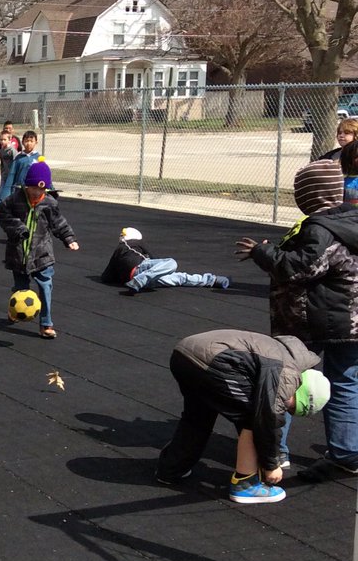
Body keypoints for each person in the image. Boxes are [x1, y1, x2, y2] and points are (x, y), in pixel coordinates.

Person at [237, 158, 358, 481]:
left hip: (311, 319)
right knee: (346, 382)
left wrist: (264, 253)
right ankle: (347, 452)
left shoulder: (320, 229)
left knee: (283, 379)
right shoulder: (352, 222)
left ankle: (274, 452)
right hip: (351, 320)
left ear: (309, 199)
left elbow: (300, 268)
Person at [156, 328, 329, 503]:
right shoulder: (288, 374)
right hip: (213, 360)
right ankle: (245, 485)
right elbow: (267, 419)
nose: (286, 408)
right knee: (255, 419)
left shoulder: (287, 355)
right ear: (301, 391)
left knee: (198, 416)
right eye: (291, 407)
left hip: (184, 353)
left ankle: (171, 469)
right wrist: (271, 466)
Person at [0, 159, 79, 339]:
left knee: (45, 287)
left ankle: (46, 324)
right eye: (34, 189)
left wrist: (68, 238)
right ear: (27, 186)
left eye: (42, 189)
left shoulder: (49, 203)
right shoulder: (15, 199)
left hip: (42, 254)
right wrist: (17, 228)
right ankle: (15, 309)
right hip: (18, 254)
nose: (37, 193)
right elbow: (1, 213)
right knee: (21, 288)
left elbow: (59, 223)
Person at [101, 226, 230, 293]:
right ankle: (211, 280)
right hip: (141, 269)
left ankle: (213, 281)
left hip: (142, 280)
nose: (120, 236)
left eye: (122, 234)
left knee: (179, 278)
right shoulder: (129, 245)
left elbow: (106, 276)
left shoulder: (124, 246)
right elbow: (155, 258)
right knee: (172, 263)